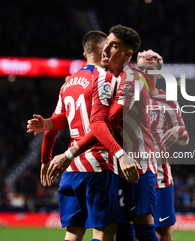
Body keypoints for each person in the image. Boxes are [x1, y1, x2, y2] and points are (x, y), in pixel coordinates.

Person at [47, 25, 160, 241]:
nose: (106, 48)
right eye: (106, 42)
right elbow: (97, 124)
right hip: (118, 163)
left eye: (114, 45)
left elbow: (104, 123)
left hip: (138, 164)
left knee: (144, 229)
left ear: (128, 55)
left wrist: (69, 154)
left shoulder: (131, 81)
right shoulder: (104, 79)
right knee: (122, 230)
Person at [27, 30, 125, 241]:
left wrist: (45, 159)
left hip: (71, 171)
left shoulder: (68, 83)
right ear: (105, 50)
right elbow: (101, 125)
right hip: (98, 165)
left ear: (85, 53)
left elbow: (53, 124)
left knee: (72, 234)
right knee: (105, 233)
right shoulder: (107, 79)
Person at [137, 49, 189, 241]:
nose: (144, 73)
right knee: (128, 231)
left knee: (163, 232)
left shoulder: (168, 101)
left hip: (160, 178)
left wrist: (176, 131)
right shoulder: (126, 98)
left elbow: (185, 138)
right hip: (133, 177)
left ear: (158, 74)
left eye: (149, 69)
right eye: (140, 68)